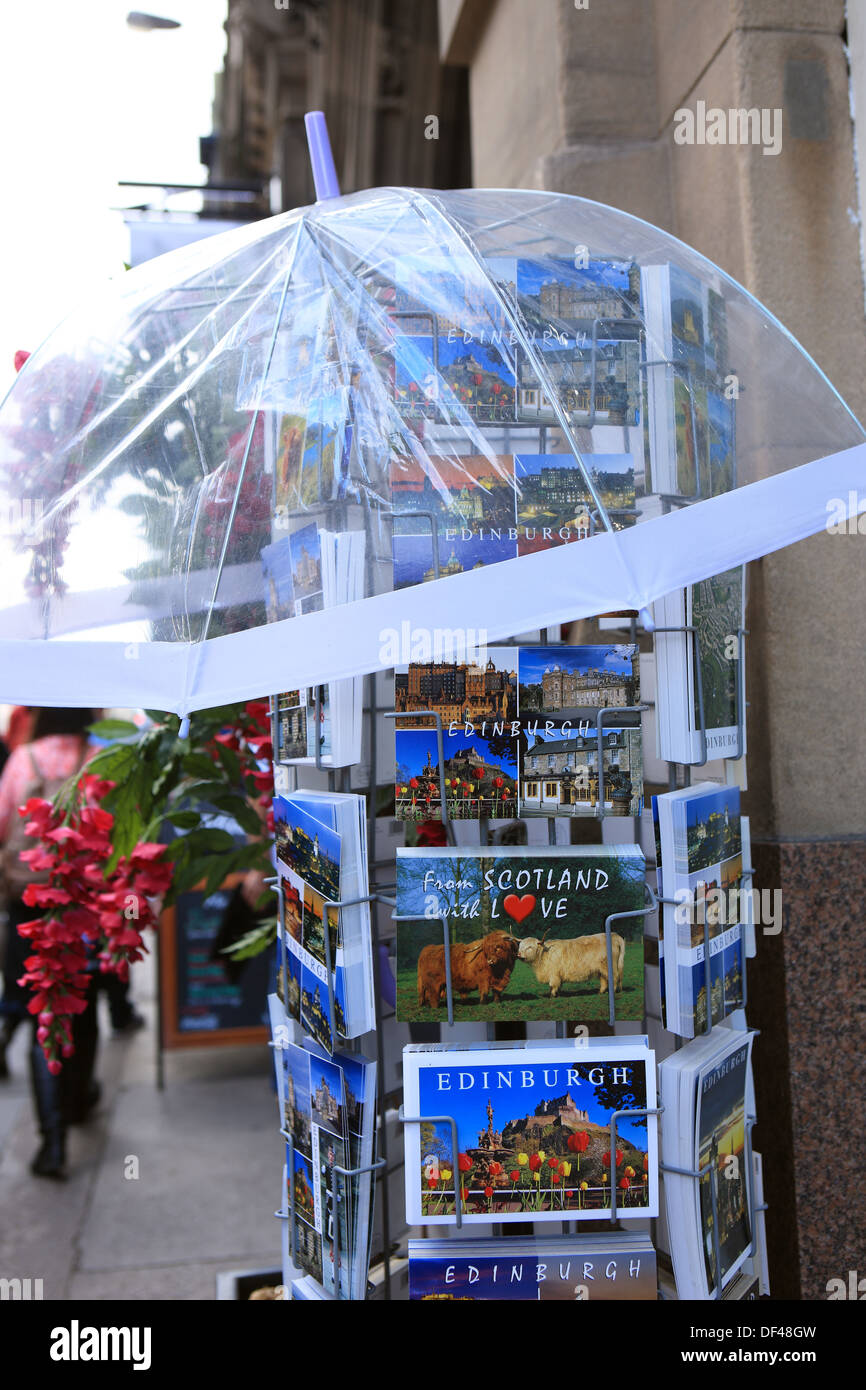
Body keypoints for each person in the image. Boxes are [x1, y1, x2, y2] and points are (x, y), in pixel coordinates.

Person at [0, 708, 100, 1177]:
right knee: (82, 1003)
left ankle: (53, 1143)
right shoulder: (98, 758)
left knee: (43, 1006)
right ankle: (78, 1102)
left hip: (28, 902)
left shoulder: (22, 759)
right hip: (85, 902)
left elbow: (2, 827)